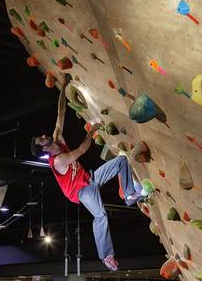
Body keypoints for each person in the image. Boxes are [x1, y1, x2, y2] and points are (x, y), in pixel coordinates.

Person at [31, 74, 146, 271]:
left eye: (42, 135)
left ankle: (129, 195)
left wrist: (63, 87)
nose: (44, 135)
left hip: (89, 179)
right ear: (44, 149)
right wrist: (91, 131)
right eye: (42, 139)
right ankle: (106, 257)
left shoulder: (57, 138)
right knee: (100, 217)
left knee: (121, 161)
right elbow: (83, 149)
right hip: (81, 192)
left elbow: (61, 113)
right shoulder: (59, 161)